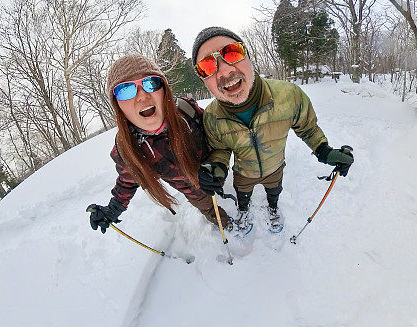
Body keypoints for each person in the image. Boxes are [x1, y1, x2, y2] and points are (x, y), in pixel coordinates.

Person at [192, 27, 354, 232]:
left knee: (274, 191)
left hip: (275, 167)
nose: (224, 70)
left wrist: (324, 150)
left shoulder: (289, 95)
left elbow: (307, 128)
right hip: (244, 172)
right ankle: (243, 210)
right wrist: (216, 168)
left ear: (248, 56)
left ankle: (273, 208)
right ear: (204, 80)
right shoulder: (212, 117)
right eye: (207, 65)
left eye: (232, 52)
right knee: (243, 195)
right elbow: (220, 149)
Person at [87, 54, 232, 234]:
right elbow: (128, 181)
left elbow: (218, 136)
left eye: (151, 84)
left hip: (213, 173)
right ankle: (228, 227)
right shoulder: (127, 149)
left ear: (164, 89)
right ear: (117, 104)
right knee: (210, 209)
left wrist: (216, 166)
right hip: (191, 190)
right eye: (125, 90)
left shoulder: (187, 112)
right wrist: (112, 210)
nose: (142, 96)